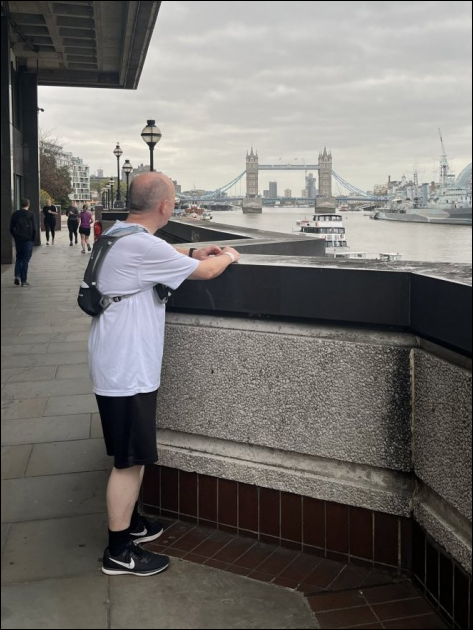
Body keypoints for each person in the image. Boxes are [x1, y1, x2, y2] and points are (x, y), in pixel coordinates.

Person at [90, 172, 240, 577]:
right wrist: (227, 255)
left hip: (115, 359)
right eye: (174, 199)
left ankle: (133, 524)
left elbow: (160, 256)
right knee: (129, 459)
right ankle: (119, 552)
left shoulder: (118, 235)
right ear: (165, 206)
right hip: (127, 368)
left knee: (132, 453)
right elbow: (208, 273)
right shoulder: (138, 246)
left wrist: (193, 251)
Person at [10, 198, 36, 287]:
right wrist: (33, 240)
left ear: (20, 205)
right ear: (28, 204)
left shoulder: (15, 214)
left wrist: (15, 236)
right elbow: (34, 228)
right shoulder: (31, 214)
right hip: (28, 240)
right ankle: (24, 280)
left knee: (19, 257)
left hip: (19, 239)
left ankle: (17, 275)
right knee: (25, 260)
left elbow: (11, 228)